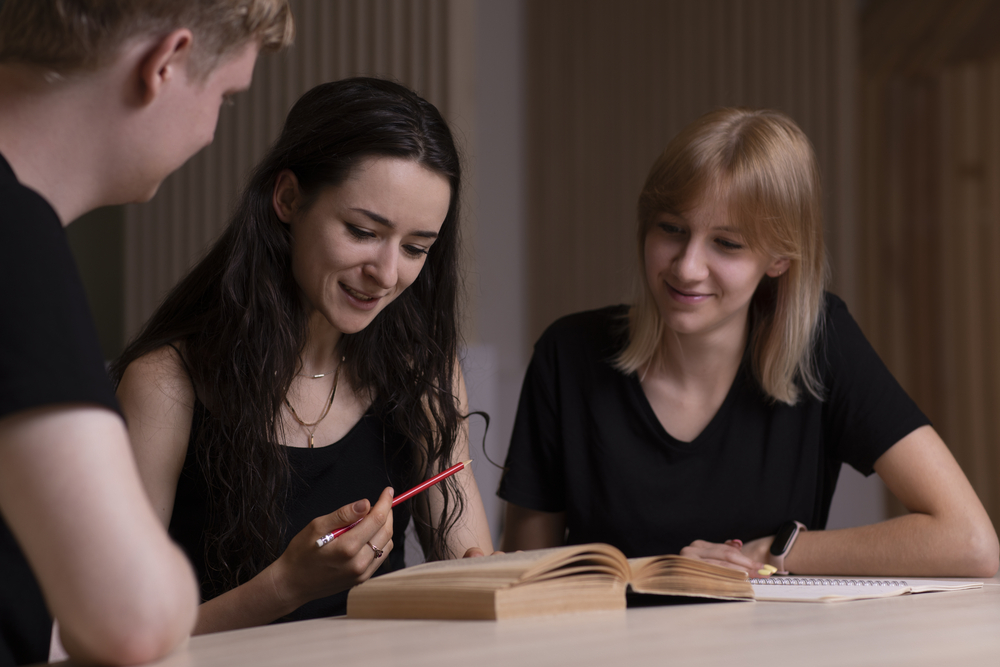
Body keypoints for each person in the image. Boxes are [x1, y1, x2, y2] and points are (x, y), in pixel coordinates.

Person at [498, 108, 999, 578]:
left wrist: (772, 552)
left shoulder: (819, 340)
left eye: (728, 243)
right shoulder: (567, 354)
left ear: (779, 258)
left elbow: (972, 544)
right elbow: (528, 573)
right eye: (671, 229)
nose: (687, 267)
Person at [111, 77, 495, 634]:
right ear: (288, 199)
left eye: (416, 249)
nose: (387, 275)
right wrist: (285, 586)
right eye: (363, 231)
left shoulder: (423, 372)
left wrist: (492, 582)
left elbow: (472, 566)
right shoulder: (167, 384)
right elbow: (119, 635)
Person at [0, 1, 293, 665]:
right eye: (227, 97)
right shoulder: (16, 241)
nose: (214, 131)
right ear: (166, 62)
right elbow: (130, 617)